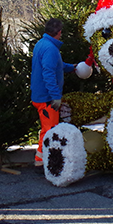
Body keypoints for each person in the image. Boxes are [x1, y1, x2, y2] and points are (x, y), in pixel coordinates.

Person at [31, 18, 78, 166]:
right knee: (49, 130)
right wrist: (56, 96)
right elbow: (49, 73)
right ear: (59, 32)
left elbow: (57, 65)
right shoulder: (51, 48)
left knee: (47, 128)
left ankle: (42, 158)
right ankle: (41, 161)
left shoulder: (42, 44)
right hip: (47, 98)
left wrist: (72, 67)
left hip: (40, 96)